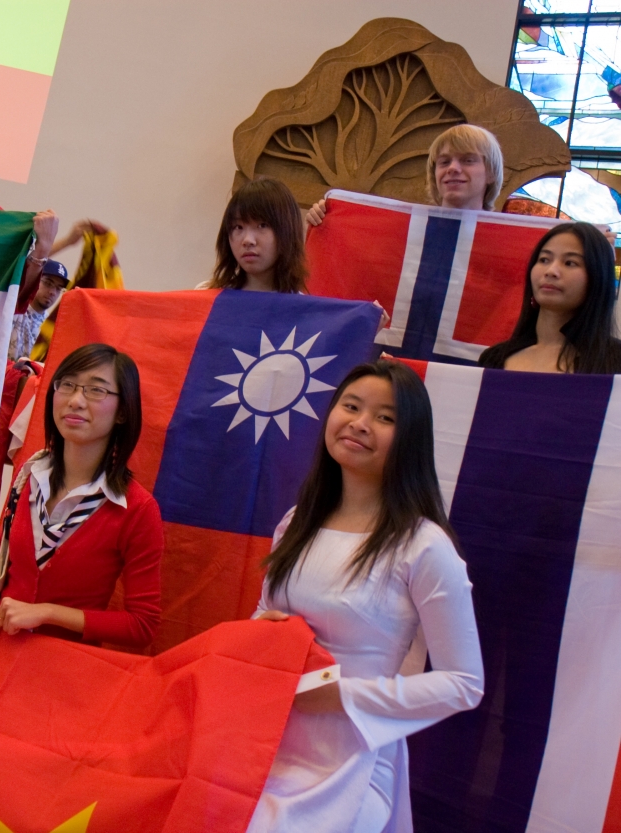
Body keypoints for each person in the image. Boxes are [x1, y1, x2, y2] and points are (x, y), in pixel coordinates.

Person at [248, 359, 483, 833]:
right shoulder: (297, 523)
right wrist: (260, 635)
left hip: (350, 760)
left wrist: (341, 696)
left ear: (410, 438)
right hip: (265, 741)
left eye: (385, 417)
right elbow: (264, 614)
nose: (359, 423)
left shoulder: (424, 546)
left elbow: (464, 683)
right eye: (351, 406)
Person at [0, 343, 163, 649]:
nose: (76, 401)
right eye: (67, 385)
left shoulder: (137, 508)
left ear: (123, 412)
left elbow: (143, 625)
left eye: (96, 390)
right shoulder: (29, 474)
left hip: (63, 670)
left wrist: (49, 614)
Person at [479, 222, 621, 374]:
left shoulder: (615, 361)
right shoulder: (493, 359)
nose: (551, 271)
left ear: (597, 277)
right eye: (544, 260)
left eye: (570, 263)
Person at [306, 123, 504, 225]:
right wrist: (330, 217)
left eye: (468, 160)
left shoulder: (507, 239)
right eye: (444, 162)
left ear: (491, 173)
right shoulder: (409, 227)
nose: (452, 168)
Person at [196, 177, 307, 292]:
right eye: (238, 227)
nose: (248, 240)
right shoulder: (208, 295)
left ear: (287, 231)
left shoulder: (301, 307)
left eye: (262, 226)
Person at [8, 259, 69, 361]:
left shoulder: (52, 326)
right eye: (48, 283)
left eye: (58, 288)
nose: (52, 292)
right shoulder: (15, 306)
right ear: (36, 280)